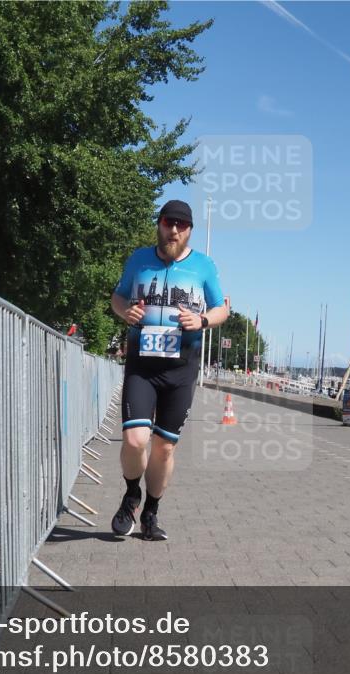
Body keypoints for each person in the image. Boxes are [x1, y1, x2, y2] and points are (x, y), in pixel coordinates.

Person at [110, 200, 227, 541]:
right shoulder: (139, 259)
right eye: (167, 222)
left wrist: (202, 320)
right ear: (159, 225)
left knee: (163, 447)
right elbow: (117, 297)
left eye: (181, 225)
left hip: (181, 369)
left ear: (189, 230)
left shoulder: (204, 266)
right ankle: (132, 493)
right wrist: (125, 312)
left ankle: (150, 512)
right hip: (142, 366)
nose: (173, 229)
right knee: (135, 439)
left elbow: (222, 309)